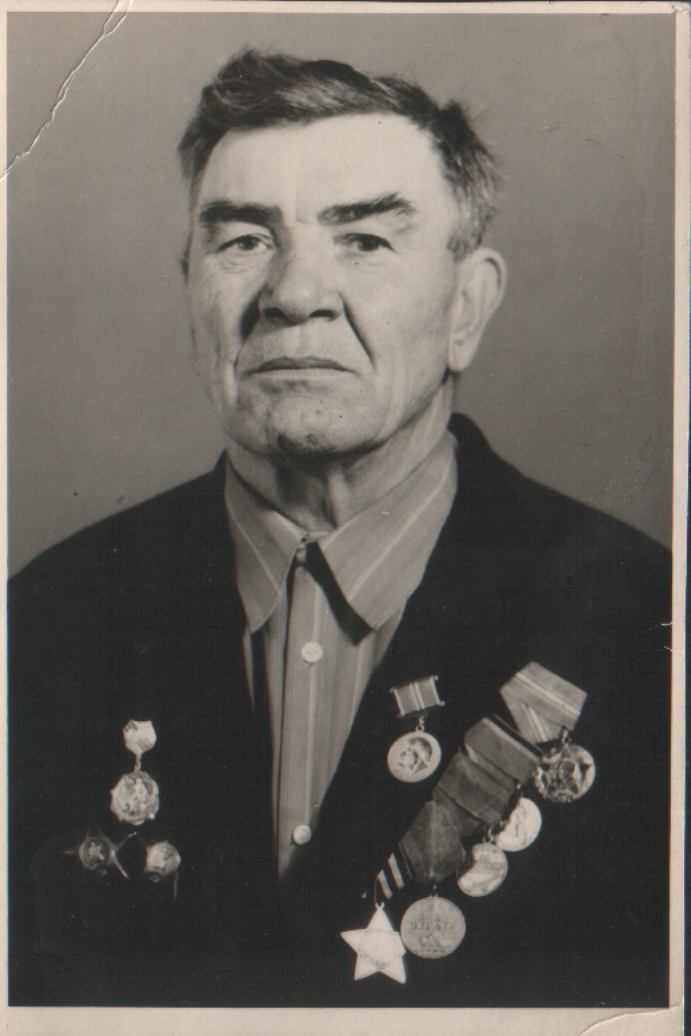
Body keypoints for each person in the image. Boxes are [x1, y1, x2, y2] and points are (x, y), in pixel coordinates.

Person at [8, 50, 671, 1008]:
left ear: (467, 307)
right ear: (190, 291)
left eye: (363, 240)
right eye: (244, 241)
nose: (293, 294)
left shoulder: (639, 623)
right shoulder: (41, 623)